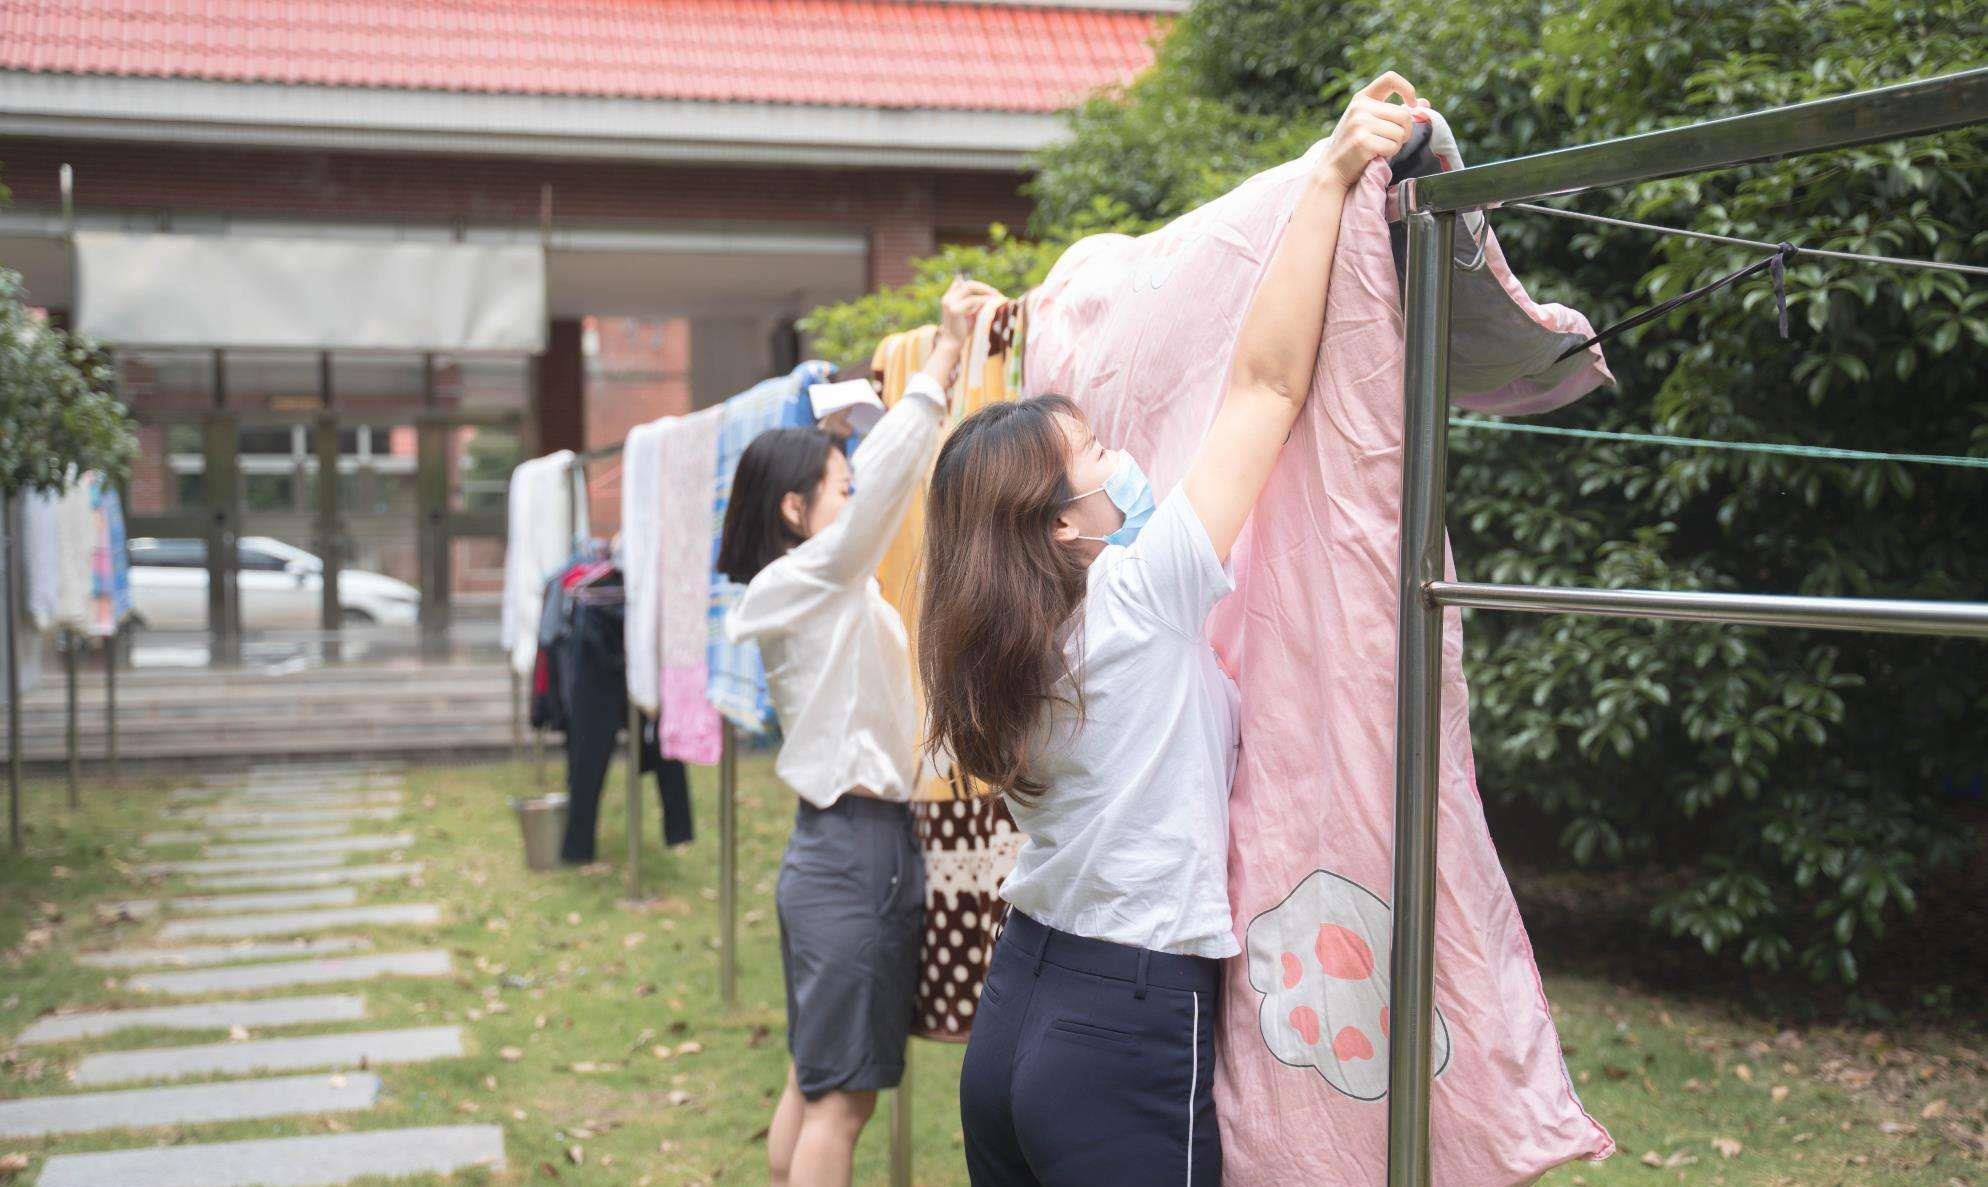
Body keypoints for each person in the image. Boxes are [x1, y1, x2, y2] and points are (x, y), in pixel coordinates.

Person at [918, 73, 1423, 1186]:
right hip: (1121, 1025)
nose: (1120, 457)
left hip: (1016, 1012)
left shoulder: (986, 641)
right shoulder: (1133, 602)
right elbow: (1262, 384)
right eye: (1094, 454)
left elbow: (970, 499)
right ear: (1059, 524)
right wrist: (1327, 175)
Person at [721, 277, 1001, 1187]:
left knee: (815, 1079)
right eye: (840, 488)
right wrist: (942, 367)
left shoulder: (817, 592)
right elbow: (882, 497)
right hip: (853, 853)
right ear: (795, 512)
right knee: (842, 1101)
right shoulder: (810, 581)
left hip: (840, 850)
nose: (858, 498)